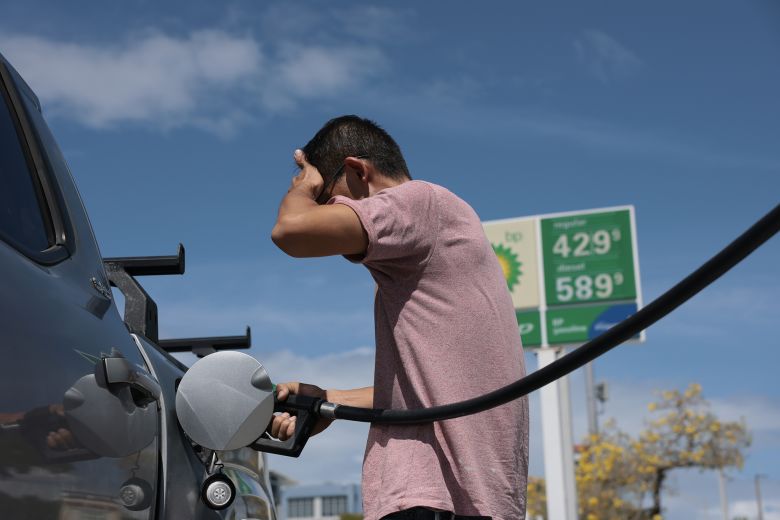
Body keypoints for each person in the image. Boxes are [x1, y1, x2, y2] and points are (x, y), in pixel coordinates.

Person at [269, 115, 528, 520]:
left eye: (331, 201)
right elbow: (439, 392)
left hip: (432, 497)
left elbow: (292, 229)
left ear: (358, 170)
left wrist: (303, 188)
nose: (330, 218)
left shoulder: (420, 202)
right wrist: (330, 400)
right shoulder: (439, 237)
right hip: (470, 499)